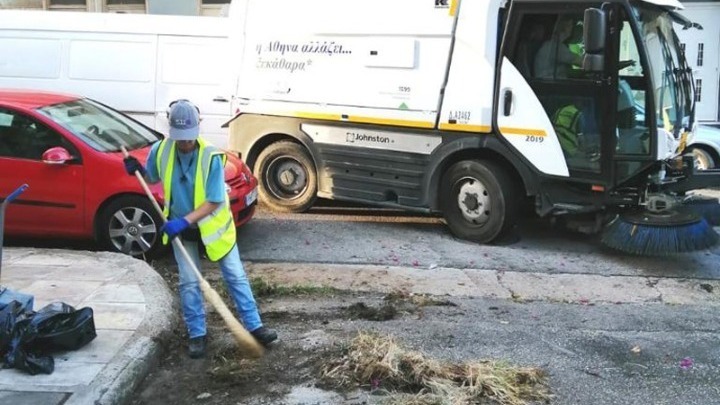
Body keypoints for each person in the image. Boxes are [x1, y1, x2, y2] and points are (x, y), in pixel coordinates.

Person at [123, 99, 277, 358]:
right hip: (182, 230)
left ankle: (255, 327)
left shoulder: (211, 157)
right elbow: (152, 177)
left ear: (198, 128)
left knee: (235, 277)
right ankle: (197, 334)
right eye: (180, 138)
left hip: (214, 228)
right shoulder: (161, 151)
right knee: (189, 282)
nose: (185, 143)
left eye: (189, 138)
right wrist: (137, 170)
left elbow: (215, 201)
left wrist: (184, 221)